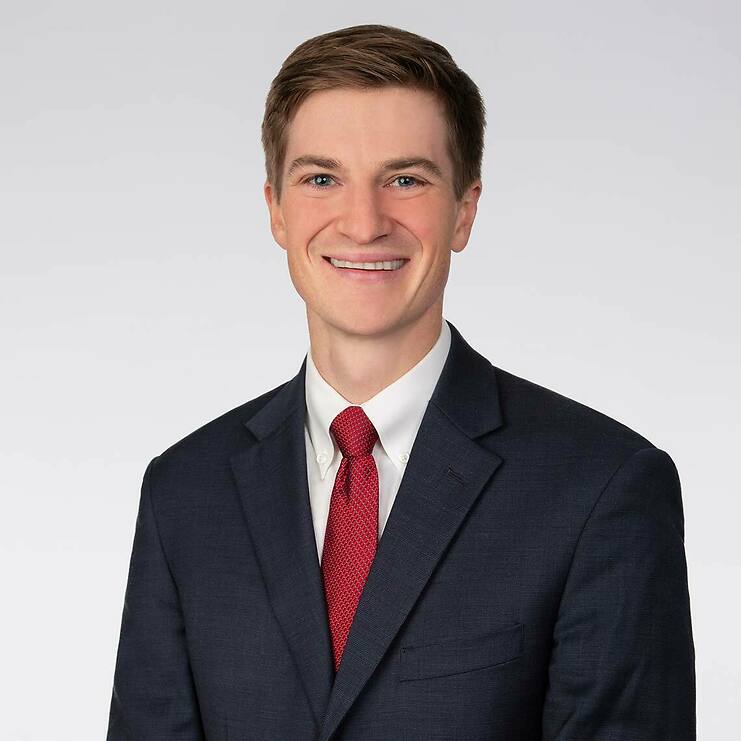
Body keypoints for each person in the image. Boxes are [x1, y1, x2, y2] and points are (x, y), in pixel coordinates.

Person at [107, 24, 696, 740]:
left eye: (406, 180)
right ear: (275, 211)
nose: (363, 223)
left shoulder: (601, 486)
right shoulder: (184, 492)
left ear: (464, 211)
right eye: (321, 179)